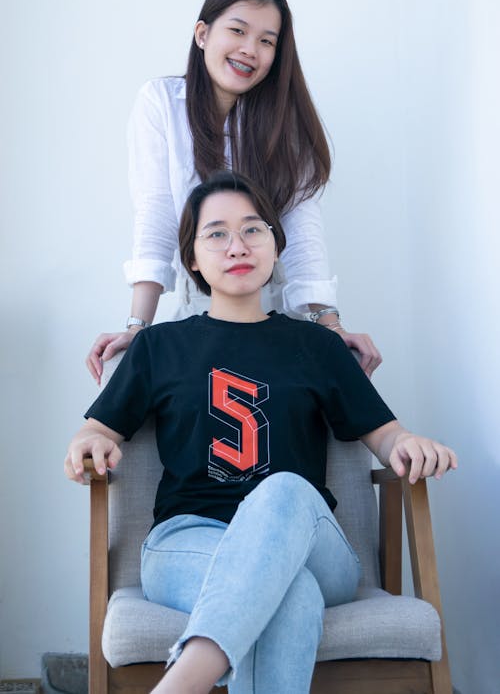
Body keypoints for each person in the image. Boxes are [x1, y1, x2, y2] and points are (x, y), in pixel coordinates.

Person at [67, 171, 457, 694]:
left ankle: (186, 678)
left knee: (284, 488)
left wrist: (408, 443)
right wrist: (87, 443)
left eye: (253, 229)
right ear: (192, 259)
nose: (237, 246)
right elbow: (96, 430)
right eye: (217, 234)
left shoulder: (318, 346)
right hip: (185, 543)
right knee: (290, 596)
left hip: (314, 547)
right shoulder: (157, 347)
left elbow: (387, 437)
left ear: (276, 246)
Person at [86, 0, 382, 385]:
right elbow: (156, 211)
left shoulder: (283, 121)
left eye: (267, 41)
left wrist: (329, 324)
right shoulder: (161, 103)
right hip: (200, 304)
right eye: (238, 31)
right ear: (203, 34)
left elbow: (301, 226)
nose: (250, 49)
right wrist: (138, 324)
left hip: (274, 306)